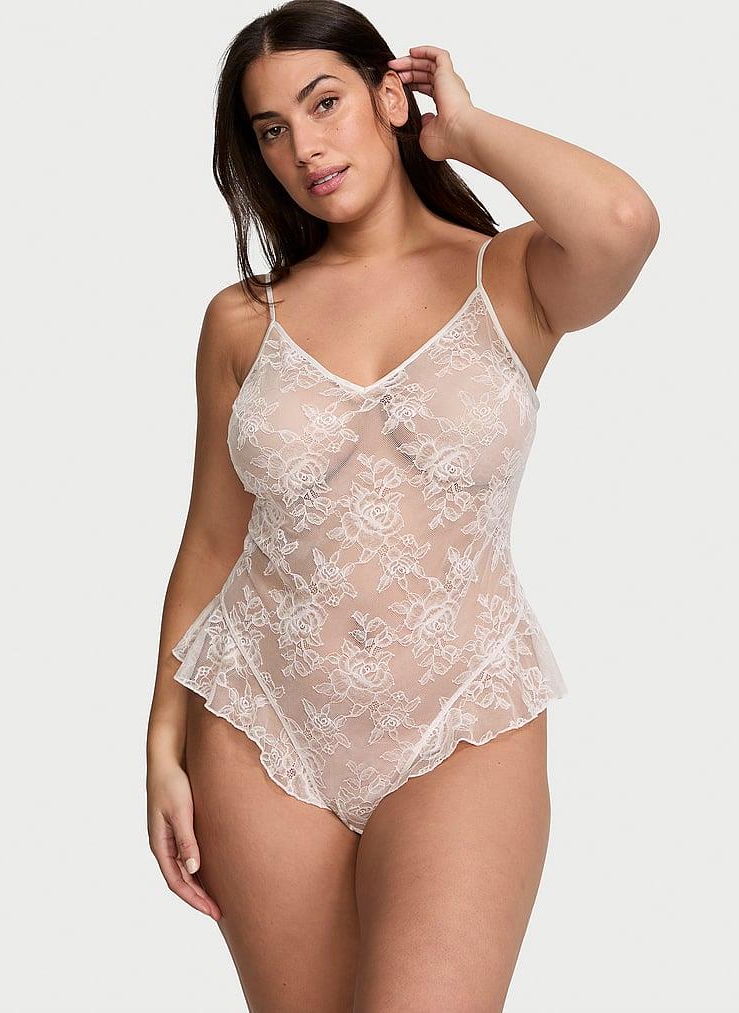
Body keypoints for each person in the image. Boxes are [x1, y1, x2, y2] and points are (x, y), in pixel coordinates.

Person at [146, 1, 659, 1009]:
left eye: (324, 102)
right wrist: (163, 738)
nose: (304, 147)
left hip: (464, 716)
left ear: (390, 95)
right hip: (258, 719)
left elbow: (621, 221)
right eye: (271, 129)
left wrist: (463, 130)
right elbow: (210, 540)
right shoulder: (243, 318)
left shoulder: (512, 276)